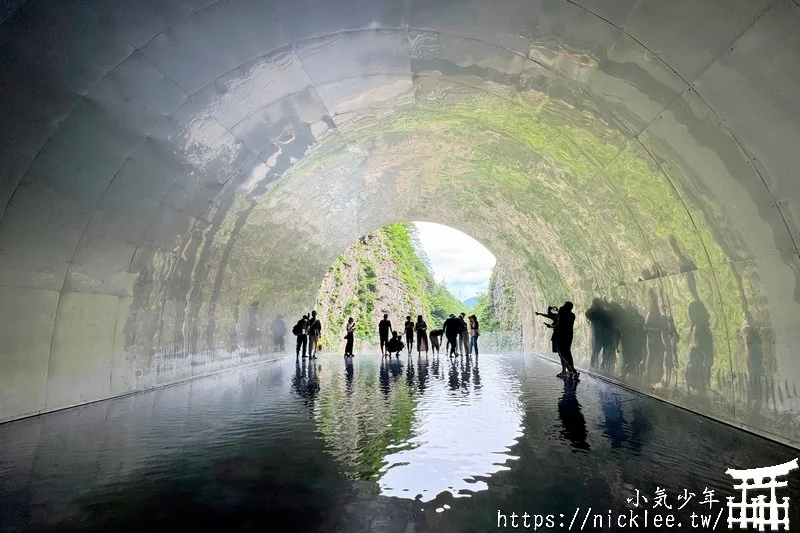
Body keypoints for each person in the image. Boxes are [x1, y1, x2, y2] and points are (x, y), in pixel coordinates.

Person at [555, 302, 578, 377]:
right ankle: (570, 369)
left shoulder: (563, 314)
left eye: (564, 305)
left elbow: (559, 324)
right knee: (566, 352)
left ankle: (572, 370)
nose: (562, 306)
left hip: (561, 336)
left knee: (562, 353)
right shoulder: (571, 315)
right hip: (568, 336)